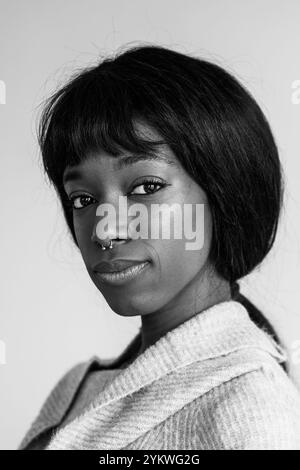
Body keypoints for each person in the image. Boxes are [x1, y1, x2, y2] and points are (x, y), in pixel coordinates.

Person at [19, 44, 300, 450]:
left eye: (146, 187)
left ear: (225, 194)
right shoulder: (76, 387)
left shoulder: (251, 409)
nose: (106, 231)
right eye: (82, 199)